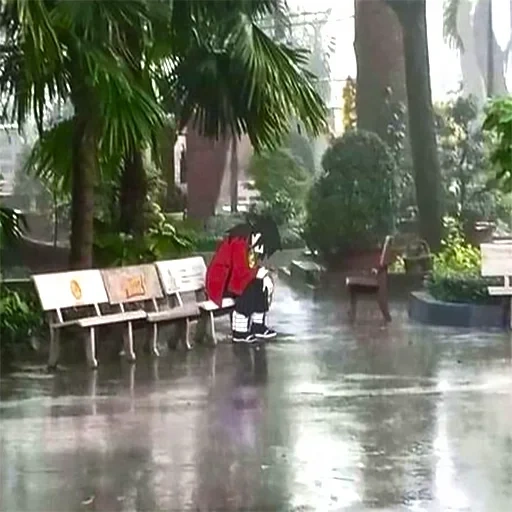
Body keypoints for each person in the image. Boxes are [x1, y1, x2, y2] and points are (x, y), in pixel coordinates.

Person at [205, 215, 281, 343]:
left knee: (259, 284)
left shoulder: (250, 243)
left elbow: (250, 269)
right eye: (262, 246)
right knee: (251, 286)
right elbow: (240, 273)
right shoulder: (239, 242)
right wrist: (259, 275)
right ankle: (239, 331)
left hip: (232, 281)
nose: (261, 250)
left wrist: (264, 278)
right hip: (220, 284)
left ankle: (258, 326)